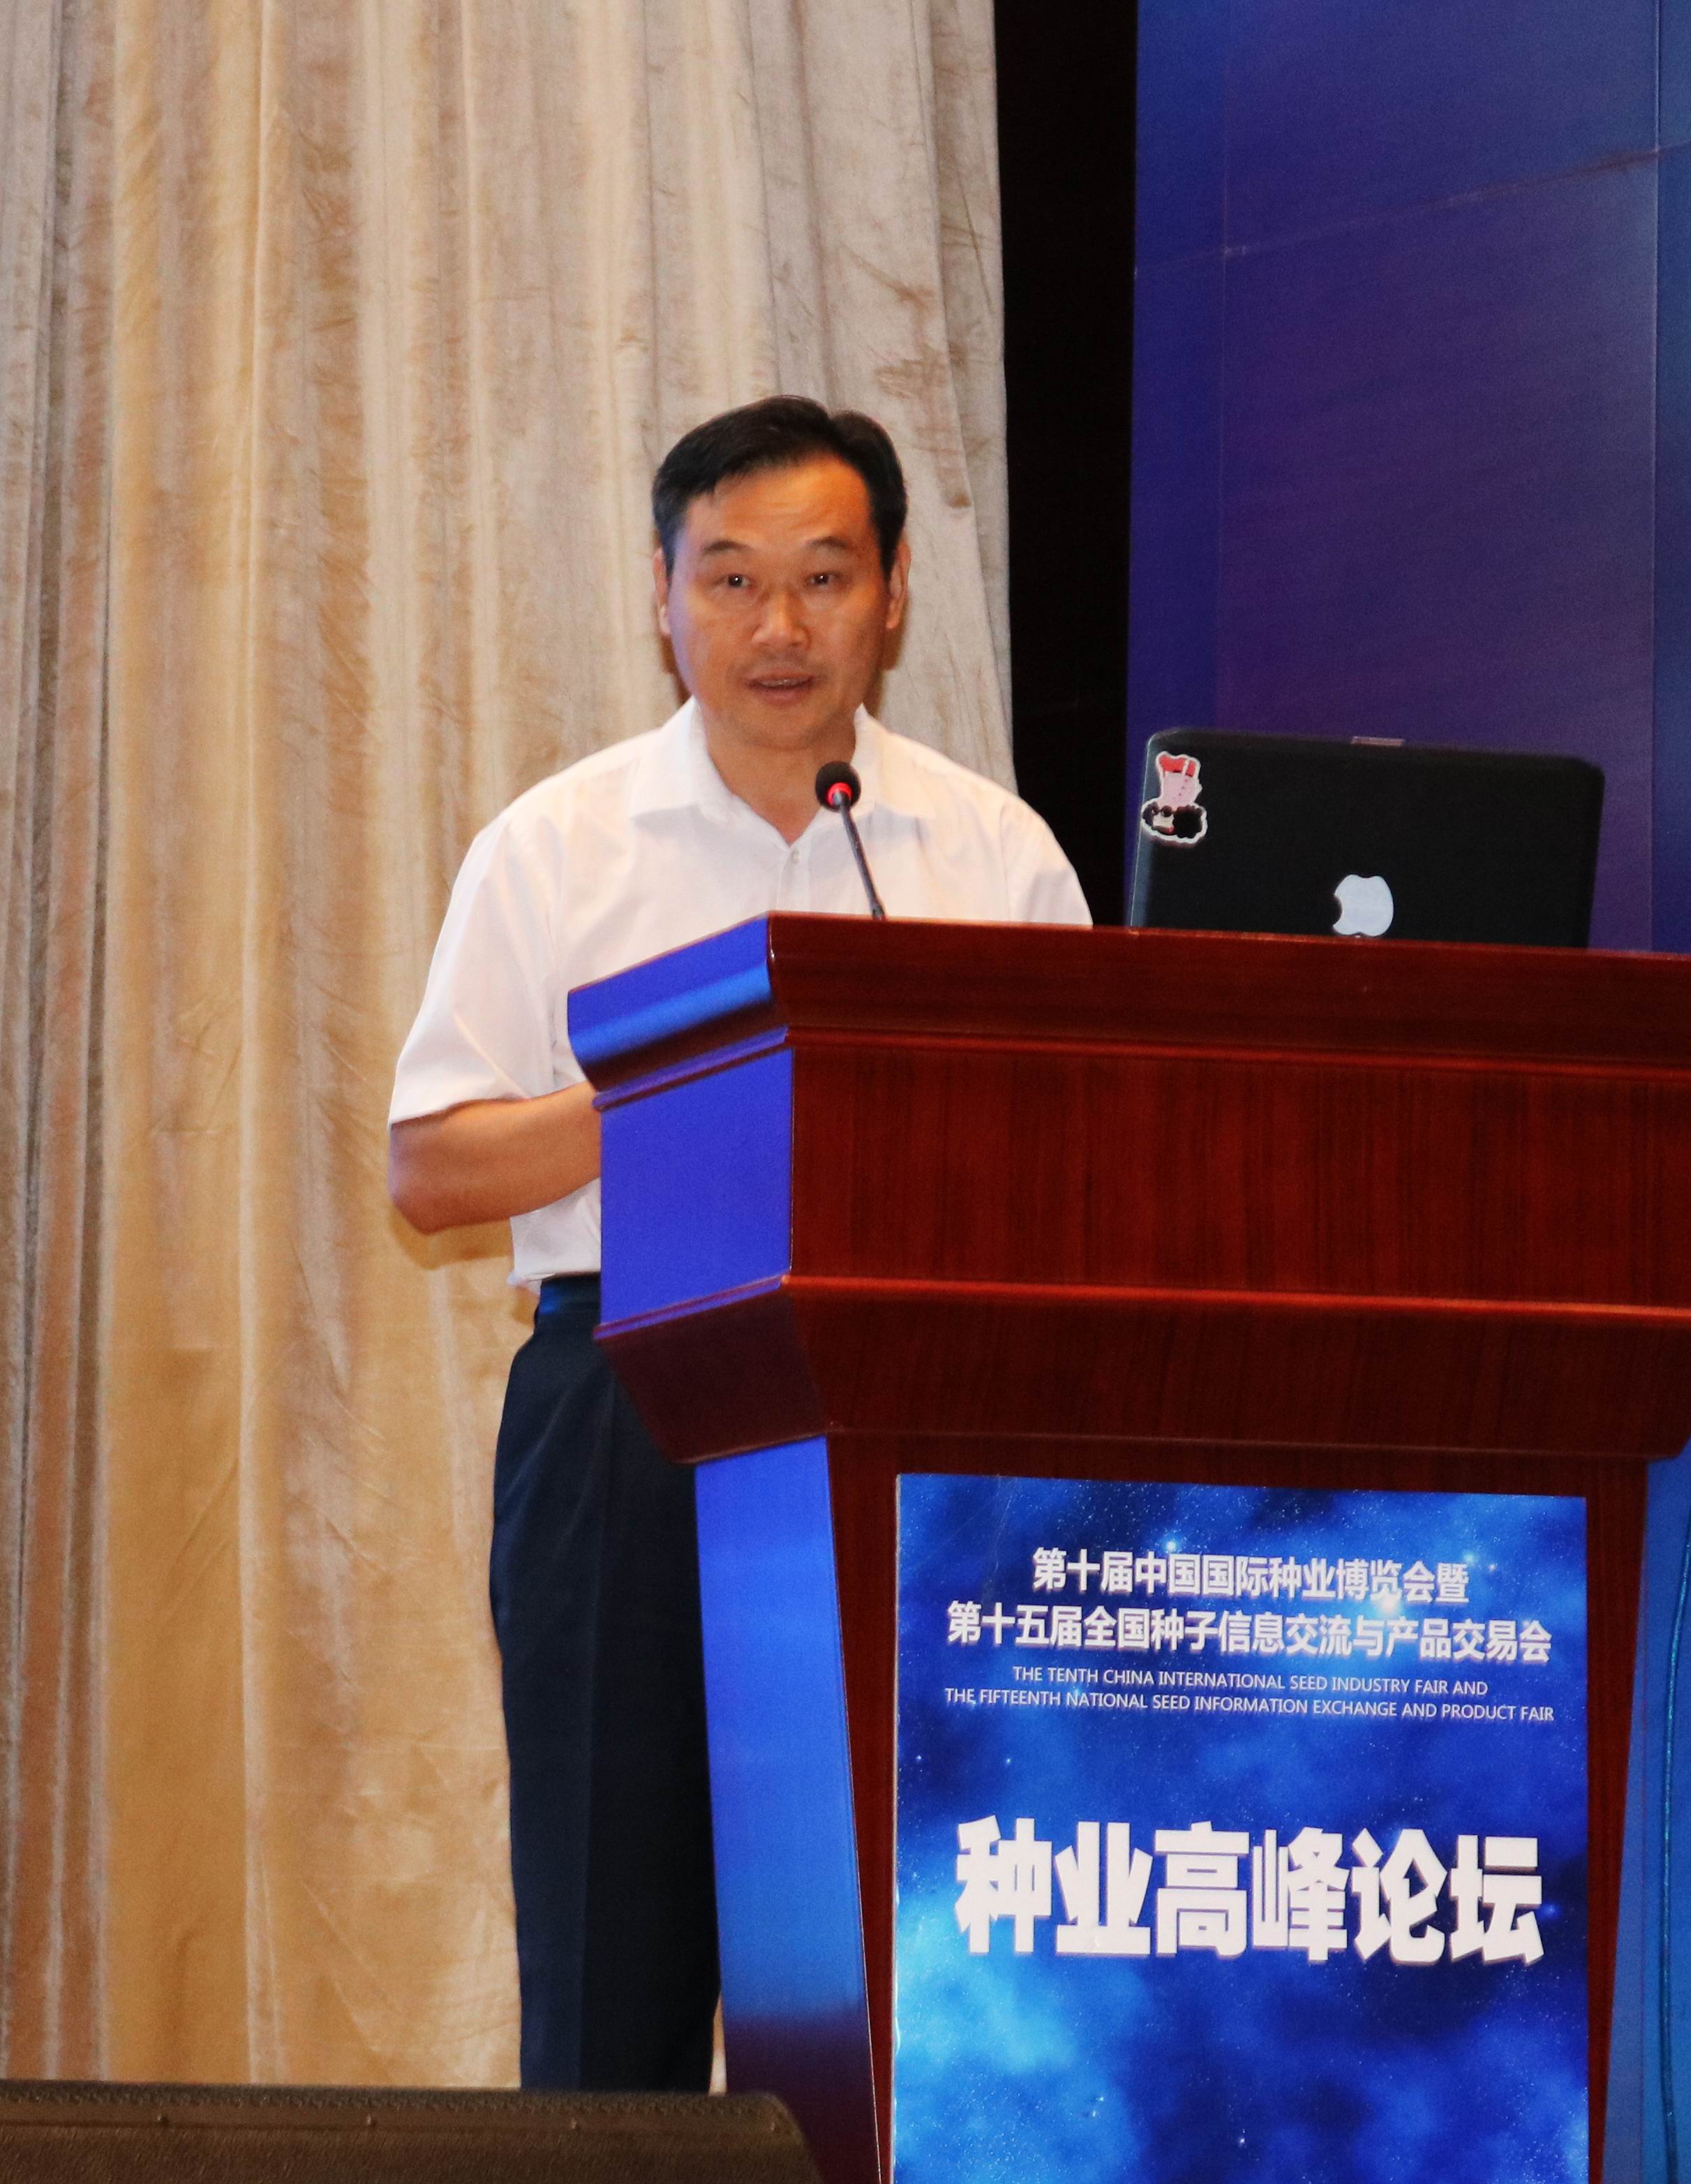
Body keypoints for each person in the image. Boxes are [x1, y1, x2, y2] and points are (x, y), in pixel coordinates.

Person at [387, 396, 1089, 2089]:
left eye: (824, 578)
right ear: (664, 596)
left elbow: (1080, 1150)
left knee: (896, 1964)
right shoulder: (557, 845)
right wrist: (696, 1086)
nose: (779, 626)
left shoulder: (990, 851)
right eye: (732, 579)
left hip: (916, 1427)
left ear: (895, 594)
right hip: (628, 1406)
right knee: (609, 1963)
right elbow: (431, 1165)